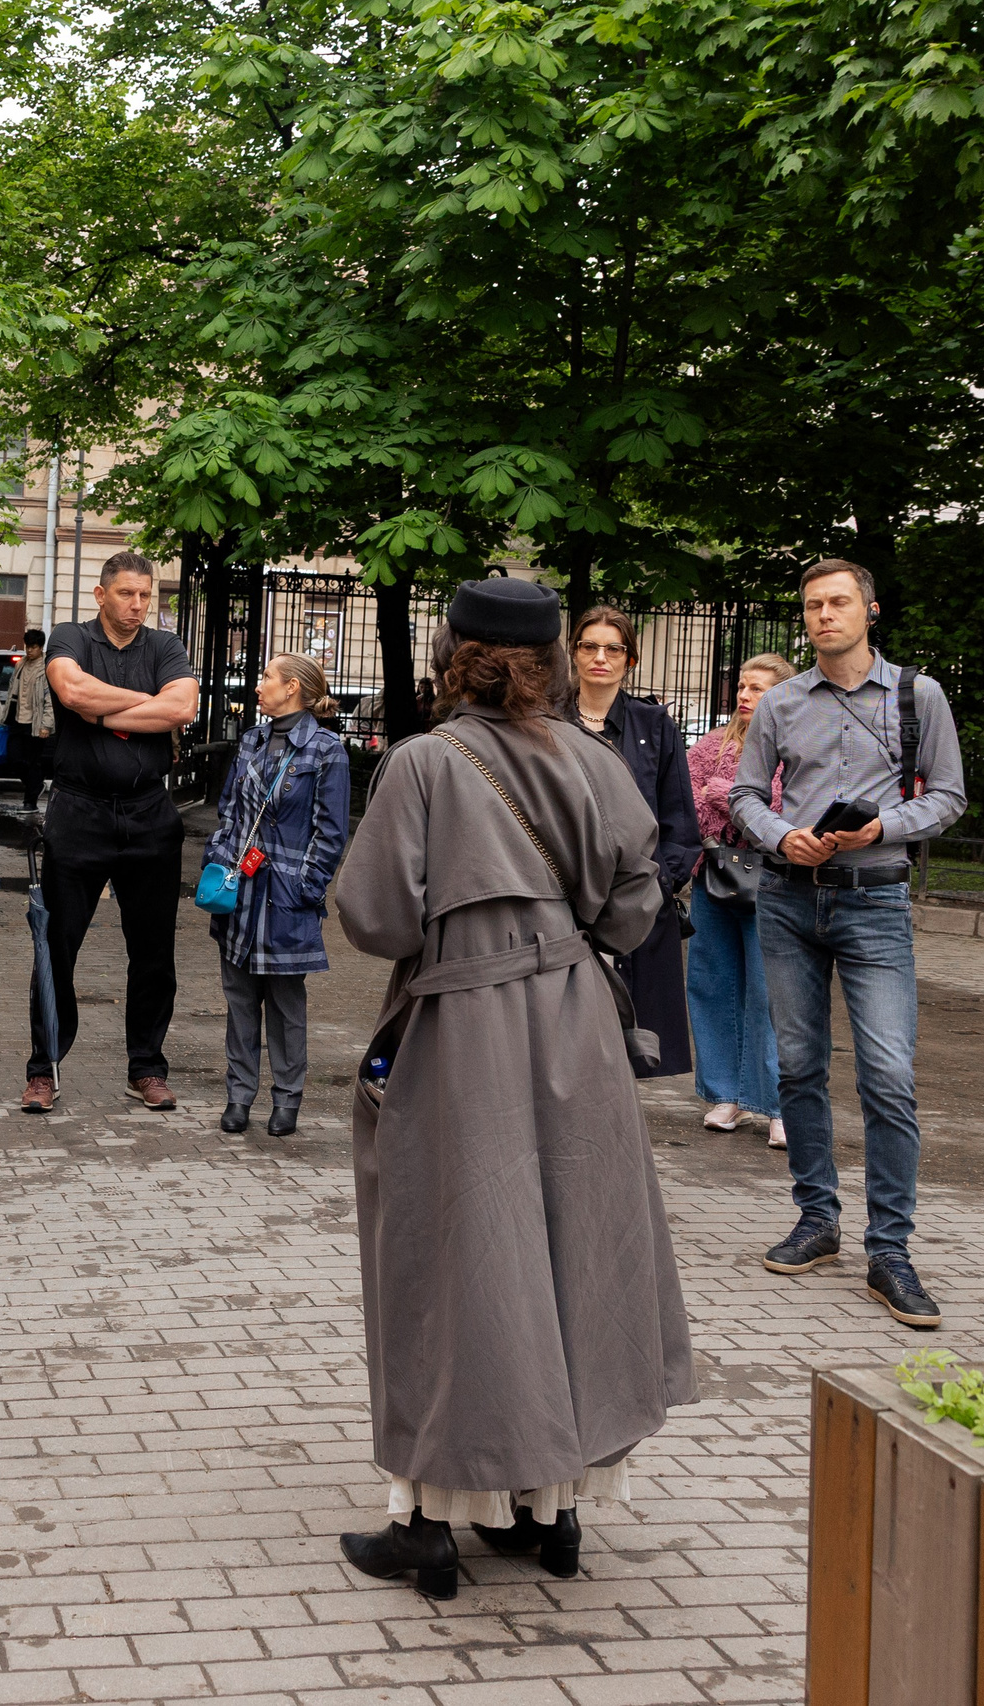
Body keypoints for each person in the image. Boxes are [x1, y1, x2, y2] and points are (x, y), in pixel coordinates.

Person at [330, 576, 692, 1602]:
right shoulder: (596, 757)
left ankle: (431, 1527)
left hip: (466, 1025)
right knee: (573, 1248)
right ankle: (552, 1511)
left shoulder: (422, 763)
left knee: (453, 1257)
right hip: (577, 1024)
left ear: (454, 651)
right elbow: (636, 904)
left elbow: (375, 919)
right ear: (548, 659)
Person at [730, 558, 966, 1329]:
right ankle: (817, 1220)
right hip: (789, 901)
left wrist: (881, 827)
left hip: (876, 904)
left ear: (870, 609)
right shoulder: (783, 701)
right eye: (812, 606)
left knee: (888, 1077)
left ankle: (890, 1250)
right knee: (798, 1068)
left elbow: (948, 795)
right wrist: (781, 836)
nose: (823, 615)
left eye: (837, 602)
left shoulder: (916, 695)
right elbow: (742, 794)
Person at [23, 550, 200, 1113]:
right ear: (102, 594)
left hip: (150, 814)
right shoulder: (70, 637)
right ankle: (44, 1069)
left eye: (146, 595)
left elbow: (185, 706)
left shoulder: (165, 646)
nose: (138, 605)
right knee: (57, 946)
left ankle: (146, 1067)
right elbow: (71, 690)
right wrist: (152, 704)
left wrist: (103, 713)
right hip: (80, 813)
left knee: (153, 951)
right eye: (127, 594)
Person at [198, 653, 351, 1137]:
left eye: (267, 676)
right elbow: (229, 813)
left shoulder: (327, 750)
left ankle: (287, 1101)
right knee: (239, 1000)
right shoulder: (251, 741)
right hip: (239, 893)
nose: (259, 684)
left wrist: (306, 888)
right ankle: (238, 1097)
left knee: (286, 1006)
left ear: (293, 688)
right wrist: (219, 863)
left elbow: (330, 834)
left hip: (287, 898)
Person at [569, 606, 702, 1080]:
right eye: (589, 646)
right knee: (563, 1029)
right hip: (563, 895)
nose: (600, 657)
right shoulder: (547, 719)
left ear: (630, 659)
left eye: (613, 648)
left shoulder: (653, 726)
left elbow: (679, 816)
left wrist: (659, 884)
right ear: (574, 652)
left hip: (637, 896)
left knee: (635, 1038)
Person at [686, 654, 796, 1149]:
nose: (745, 695)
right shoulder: (710, 745)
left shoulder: (794, 746)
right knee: (712, 985)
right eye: (743, 687)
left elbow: (784, 807)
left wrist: (721, 793)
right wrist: (734, 798)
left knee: (770, 994)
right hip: (713, 878)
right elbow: (685, 800)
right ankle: (724, 1095)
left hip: (774, 883)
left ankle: (777, 1105)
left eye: (758, 689)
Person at [9, 629, 56, 811]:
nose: (29, 651)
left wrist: (46, 724)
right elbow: (13, 691)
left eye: (33, 647)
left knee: (32, 762)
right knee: (13, 758)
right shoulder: (20, 664)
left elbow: (49, 699)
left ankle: (30, 801)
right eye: (27, 647)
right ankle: (36, 784)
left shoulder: (46, 667)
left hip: (35, 723)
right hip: (17, 720)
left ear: (40, 647)